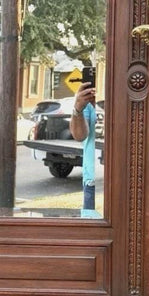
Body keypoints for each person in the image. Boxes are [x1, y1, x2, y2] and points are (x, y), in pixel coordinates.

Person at [69, 79, 96, 211]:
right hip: (93, 182)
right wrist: (78, 109)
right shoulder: (90, 97)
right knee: (93, 230)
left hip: (127, 178)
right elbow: (79, 135)